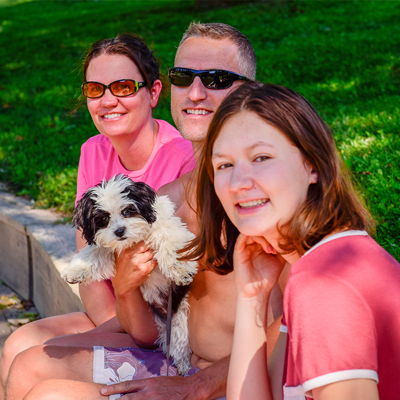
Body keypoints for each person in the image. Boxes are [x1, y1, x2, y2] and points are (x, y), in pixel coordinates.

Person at [5, 23, 283, 400]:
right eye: (184, 77)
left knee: (48, 394)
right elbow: (151, 327)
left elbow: (301, 321)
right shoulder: (168, 197)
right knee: (27, 363)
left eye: (217, 79)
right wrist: (123, 287)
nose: (196, 92)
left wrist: (194, 385)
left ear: (249, 91)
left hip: (236, 379)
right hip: (176, 357)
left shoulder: (260, 193)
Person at [0, 33, 195, 397]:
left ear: (153, 92)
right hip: (115, 312)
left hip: (166, 326)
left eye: (122, 86)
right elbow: (87, 253)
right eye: (95, 88)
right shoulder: (93, 151)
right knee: (16, 344)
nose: (108, 100)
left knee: (34, 358)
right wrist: (106, 326)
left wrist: (106, 332)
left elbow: (175, 288)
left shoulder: (182, 157)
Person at [188, 81, 400, 399]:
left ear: (312, 163)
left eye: (261, 157)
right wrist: (252, 298)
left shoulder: (324, 284)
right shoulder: (326, 261)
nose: (238, 183)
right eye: (225, 165)